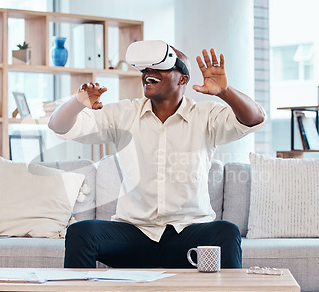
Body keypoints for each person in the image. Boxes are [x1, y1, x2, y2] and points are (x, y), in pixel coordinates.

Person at [48, 41, 265, 269]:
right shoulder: (124, 114)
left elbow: (254, 119)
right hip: (133, 236)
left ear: (182, 78)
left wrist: (225, 92)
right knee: (81, 232)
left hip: (188, 236)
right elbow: (59, 126)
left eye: (159, 67)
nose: (148, 73)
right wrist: (78, 102)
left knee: (226, 232)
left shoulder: (205, 115)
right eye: (146, 69)